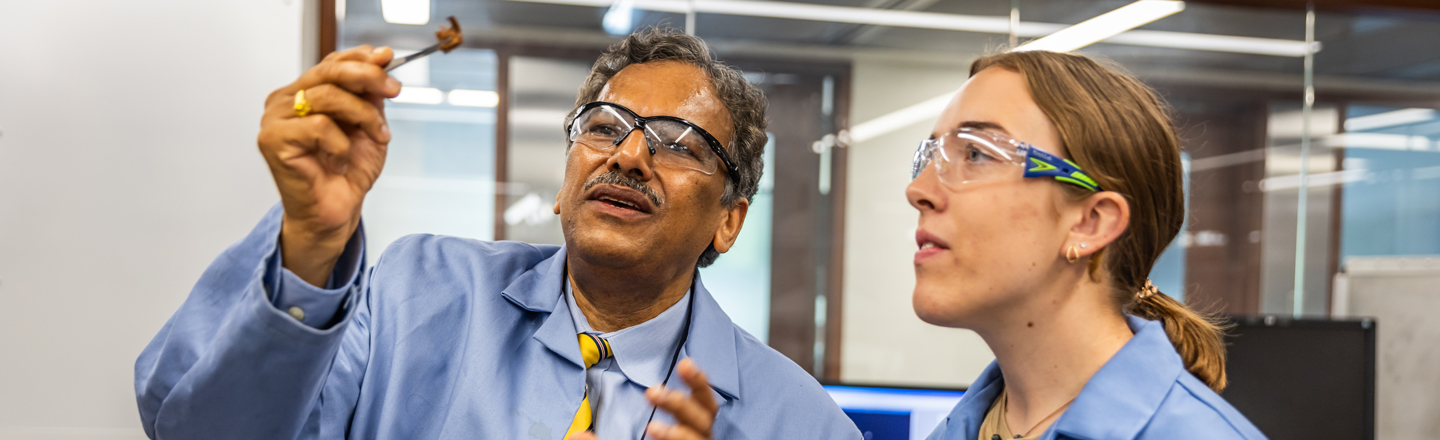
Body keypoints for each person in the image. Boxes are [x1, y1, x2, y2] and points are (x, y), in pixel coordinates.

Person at [134, 28, 860, 440]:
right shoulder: (414, 295)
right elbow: (197, 431)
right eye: (604, 127)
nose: (628, 155)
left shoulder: (804, 425)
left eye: (678, 143)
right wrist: (310, 243)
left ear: (729, 220)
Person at [905, 50, 1266, 440]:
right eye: (931, 157)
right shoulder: (962, 429)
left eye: (976, 154)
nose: (917, 190)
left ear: (1090, 223)